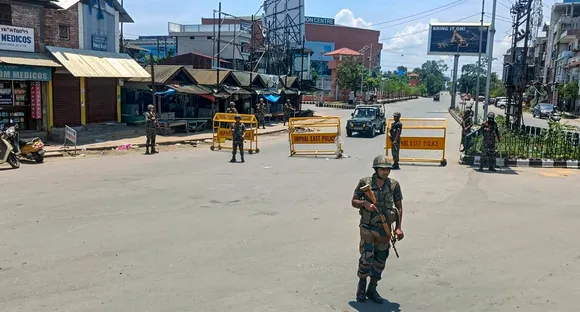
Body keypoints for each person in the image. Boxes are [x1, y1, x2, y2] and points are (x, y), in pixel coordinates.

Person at [351, 155, 404, 304]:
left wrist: (398, 228)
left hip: (384, 230)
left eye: (388, 169)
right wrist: (364, 204)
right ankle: (361, 288)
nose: (386, 172)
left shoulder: (394, 185)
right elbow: (353, 201)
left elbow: (399, 207)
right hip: (368, 227)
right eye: (382, 169)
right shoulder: (365, 183)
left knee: (380, 260)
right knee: (366, 258)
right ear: (376, 169)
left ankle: (372, 288)